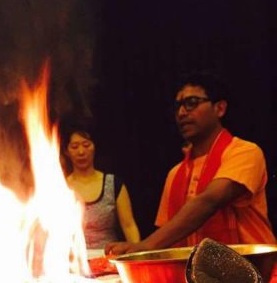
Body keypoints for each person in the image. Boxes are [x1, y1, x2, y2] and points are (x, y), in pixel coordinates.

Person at [106, 73, 276, 256]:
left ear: (220, 108)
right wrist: (139, 255)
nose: (181, 113)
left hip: (255, 268)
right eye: (178, 106)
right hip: (196, 271)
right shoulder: (176, 173)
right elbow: (168, 235)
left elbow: (209, 201)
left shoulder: (245, 152)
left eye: (192, 103)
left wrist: (145, 246)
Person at [65, 126, 140, 249]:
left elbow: (129, 225)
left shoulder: (113, 184)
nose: (81, 152)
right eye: (74, 147)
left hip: (108, 255)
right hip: (72, 257)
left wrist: (136, 251)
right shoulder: (60, 187)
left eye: (86, 145)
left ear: (94, 147)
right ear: (66, 151)